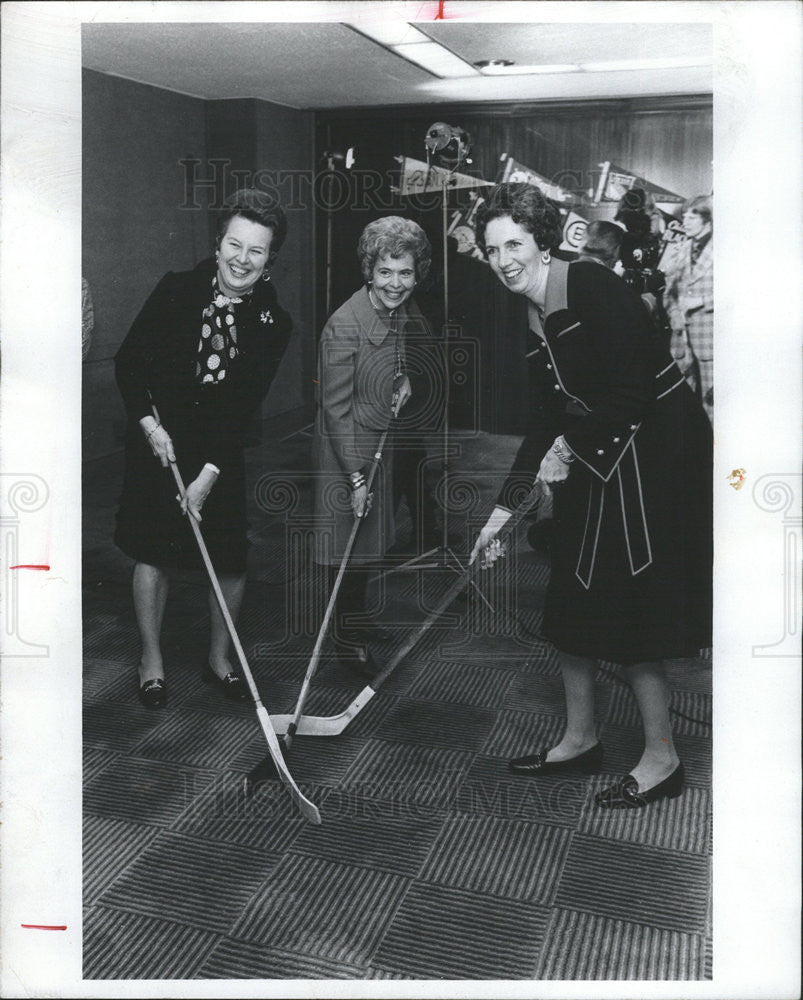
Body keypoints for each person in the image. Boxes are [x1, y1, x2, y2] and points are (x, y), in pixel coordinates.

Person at [470, 183, 712, 809]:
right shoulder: (528, 309)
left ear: (540, 239)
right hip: (599, 450)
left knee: (630, 604)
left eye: (514, 244)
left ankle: (663, 756)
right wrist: (503, 509)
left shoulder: (590, 285)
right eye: (492, 248)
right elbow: (547, 417)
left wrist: (568, 450)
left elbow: (635, 390)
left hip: (657, 456)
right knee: (571, 593)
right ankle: (582, 738)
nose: (503, 260)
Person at [114, 189, 293, 708]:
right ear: (218, 244)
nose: (242, 259)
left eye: (256, 251)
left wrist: (209, 473)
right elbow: (128, 364)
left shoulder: (272, 323)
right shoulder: (176, 290)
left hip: (220, 447)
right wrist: (150, 426)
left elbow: (243, 405)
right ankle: (151, 657)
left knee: (230, 559)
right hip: (159, 440)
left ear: (269, 259)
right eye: (234, 245)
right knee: (152, 551)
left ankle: (219, 658)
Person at [312, 216, 431, 673]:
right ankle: (345, 637)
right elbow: (333, 409)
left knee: (367, 544)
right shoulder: (344, 325)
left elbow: (395, 356)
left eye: (405, 272)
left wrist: (402, 379)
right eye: (385, 272)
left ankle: (356, 620)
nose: (395, 283)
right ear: (369, 270)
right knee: (345, 547)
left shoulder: (395, 309)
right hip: (345, 452)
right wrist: (356, 476)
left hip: (379, 441)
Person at [663, 195, 714, 422]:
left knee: (713, 406)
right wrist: (673, 312)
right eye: (684, 214)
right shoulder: (680, 249)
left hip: (711, 343)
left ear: (708, 219)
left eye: (692, 215)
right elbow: (668, 292)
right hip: (681, 342)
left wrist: (702, 301)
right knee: (683, 406)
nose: (686, 219)